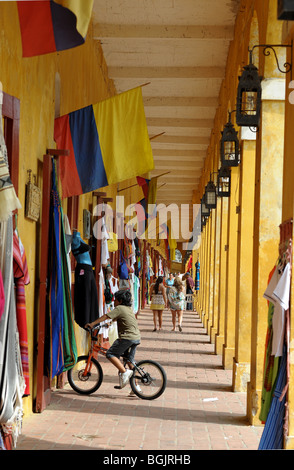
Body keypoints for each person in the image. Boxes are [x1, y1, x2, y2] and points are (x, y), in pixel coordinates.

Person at [85, 289, 140, 389]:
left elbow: (106, 316)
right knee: (129, 360)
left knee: (110, 354)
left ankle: (124, 372)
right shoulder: (128, 309)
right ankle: (136, 387)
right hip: (135, 337)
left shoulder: (119, 308)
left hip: (126, 337)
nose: (114, 302)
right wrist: (108, 324)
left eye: (115, 300)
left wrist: (92, 324)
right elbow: (116, 318)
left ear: (120, 301)